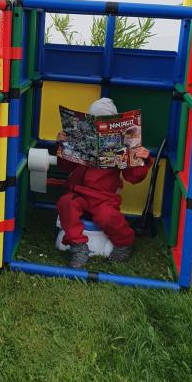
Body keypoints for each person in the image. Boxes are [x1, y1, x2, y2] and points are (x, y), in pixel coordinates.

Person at [57, 98, 152, 268]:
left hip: (104, 197)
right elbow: (65, 166)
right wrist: (62, 145)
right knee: (66, 203)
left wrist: (142, 159)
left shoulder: (123, 144)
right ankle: (78, 246)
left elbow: (133, 177)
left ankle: (124, 243)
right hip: (78, 192)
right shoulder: (81, 139)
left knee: (108, 217)